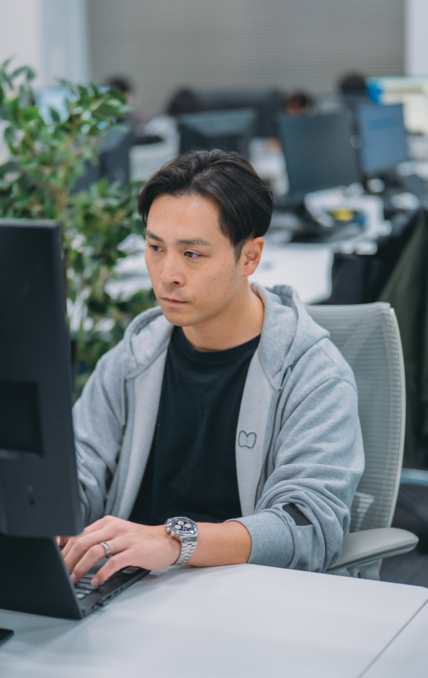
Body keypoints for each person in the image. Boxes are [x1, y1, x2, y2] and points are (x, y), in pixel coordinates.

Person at [62, 150, 365, 586]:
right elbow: (79, 470)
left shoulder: (313, 375)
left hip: (252, 595)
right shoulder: (133, 358)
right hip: (128, 588)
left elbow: (306, 528)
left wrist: (174, 541)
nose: (167, 274)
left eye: (192, 254)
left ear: (250, 257)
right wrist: (50, 517)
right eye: (155, 248)